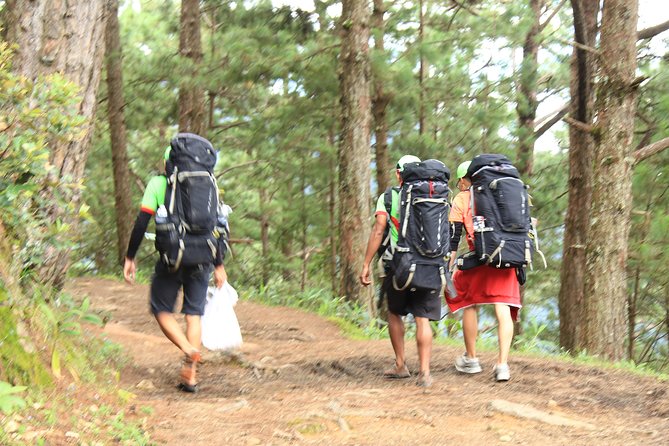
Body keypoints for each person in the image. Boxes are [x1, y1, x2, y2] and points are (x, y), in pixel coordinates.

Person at [123, 144, 227, 393]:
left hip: (172, 258)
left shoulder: (159, 184)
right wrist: (219, 265)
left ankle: (188, 350)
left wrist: (130, 256)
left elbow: (141, 222)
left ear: (168, 162)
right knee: (194, 315)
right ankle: (190, 376)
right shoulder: (208, 183)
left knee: (161, 310)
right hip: (203, 257)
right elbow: (216, 225)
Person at [359, 154, 442, 388]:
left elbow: (378, 229)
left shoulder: (389, 197)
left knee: (395, 313)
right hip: (429, 264)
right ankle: (425, 372)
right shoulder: (435, 195)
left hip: (397, 266)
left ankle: (400, 364)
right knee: (422, 318)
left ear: (399, 173)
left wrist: (366, 263)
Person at [446, 160, 521, 382]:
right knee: (503, 308)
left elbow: (453, 237)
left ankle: (471, 359)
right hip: (507, 257)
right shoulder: (505, 193)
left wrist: (449, 266)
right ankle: (502, 365)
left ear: (463, 180)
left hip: (479, 259)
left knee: (469, 303)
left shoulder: (462, 198)